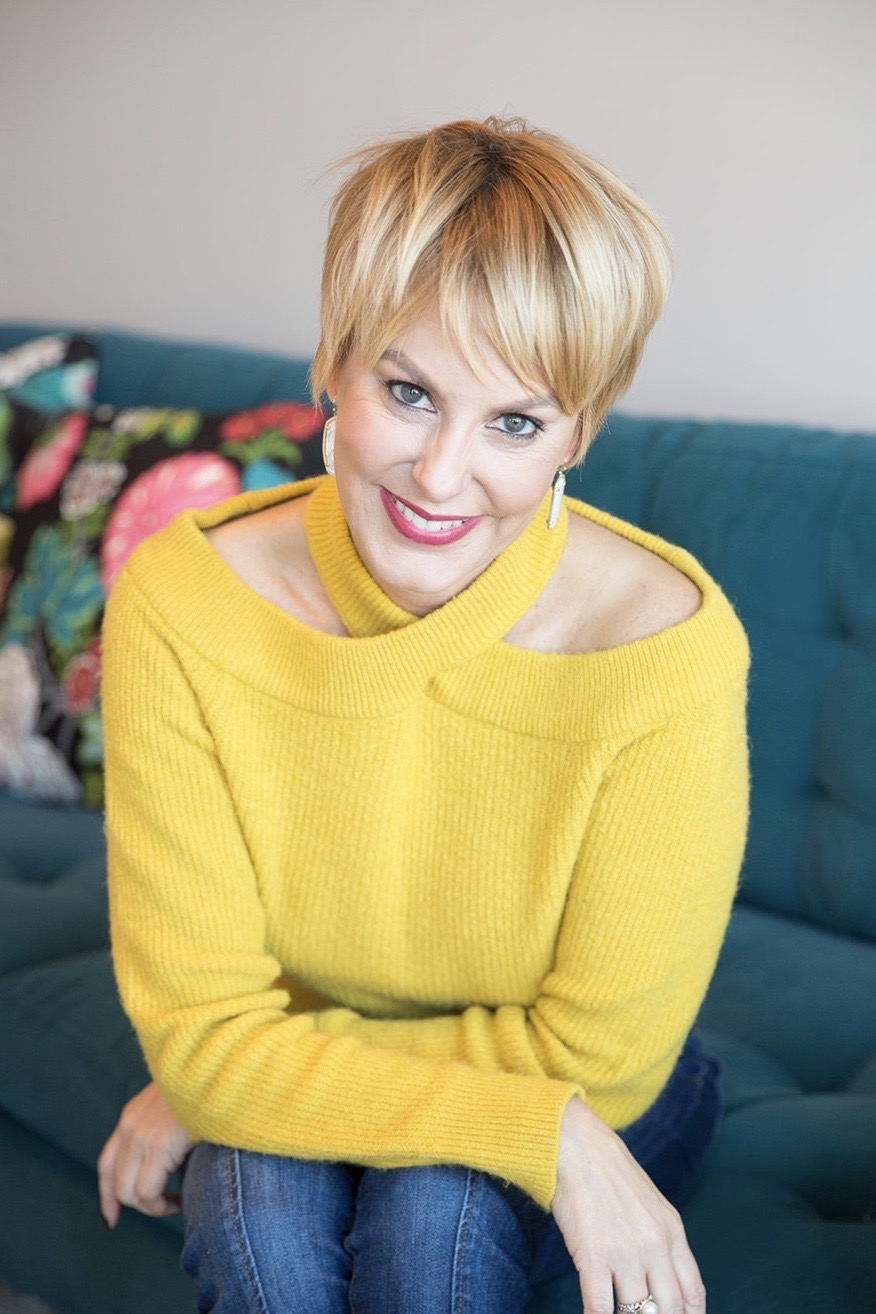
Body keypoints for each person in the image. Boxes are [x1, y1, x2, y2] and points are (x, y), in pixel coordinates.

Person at [97, 117, 749, 1314]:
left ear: (580, 433)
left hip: (604, 1089)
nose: (443, 476)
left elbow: (597, 1063)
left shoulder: (662, 651)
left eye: (516, 423)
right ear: (332, 363)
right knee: (261, 1223)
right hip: (392, 1073)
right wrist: (210, 1065)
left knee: (429, 1214)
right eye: (409, 393)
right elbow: (201, 1033)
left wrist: (229, 1071)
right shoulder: (185, 606)